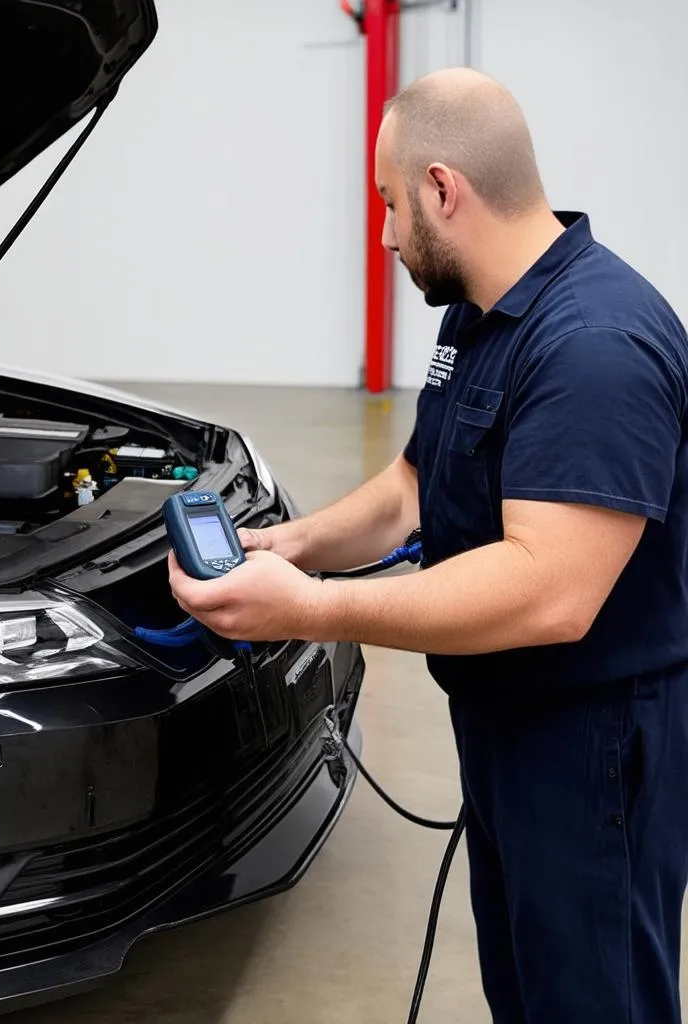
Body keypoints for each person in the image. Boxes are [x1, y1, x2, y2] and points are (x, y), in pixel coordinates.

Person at [169, 67, 688, 1024]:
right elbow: (414, 483)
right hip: (505, 719)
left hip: (591, 745)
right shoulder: (481, 312)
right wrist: (290, 546)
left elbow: (550, 589)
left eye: (391, 204)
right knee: (527, 988)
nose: (386, 234)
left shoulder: (595, 347)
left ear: (445, 190)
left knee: (594, 998)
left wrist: (314, 610)